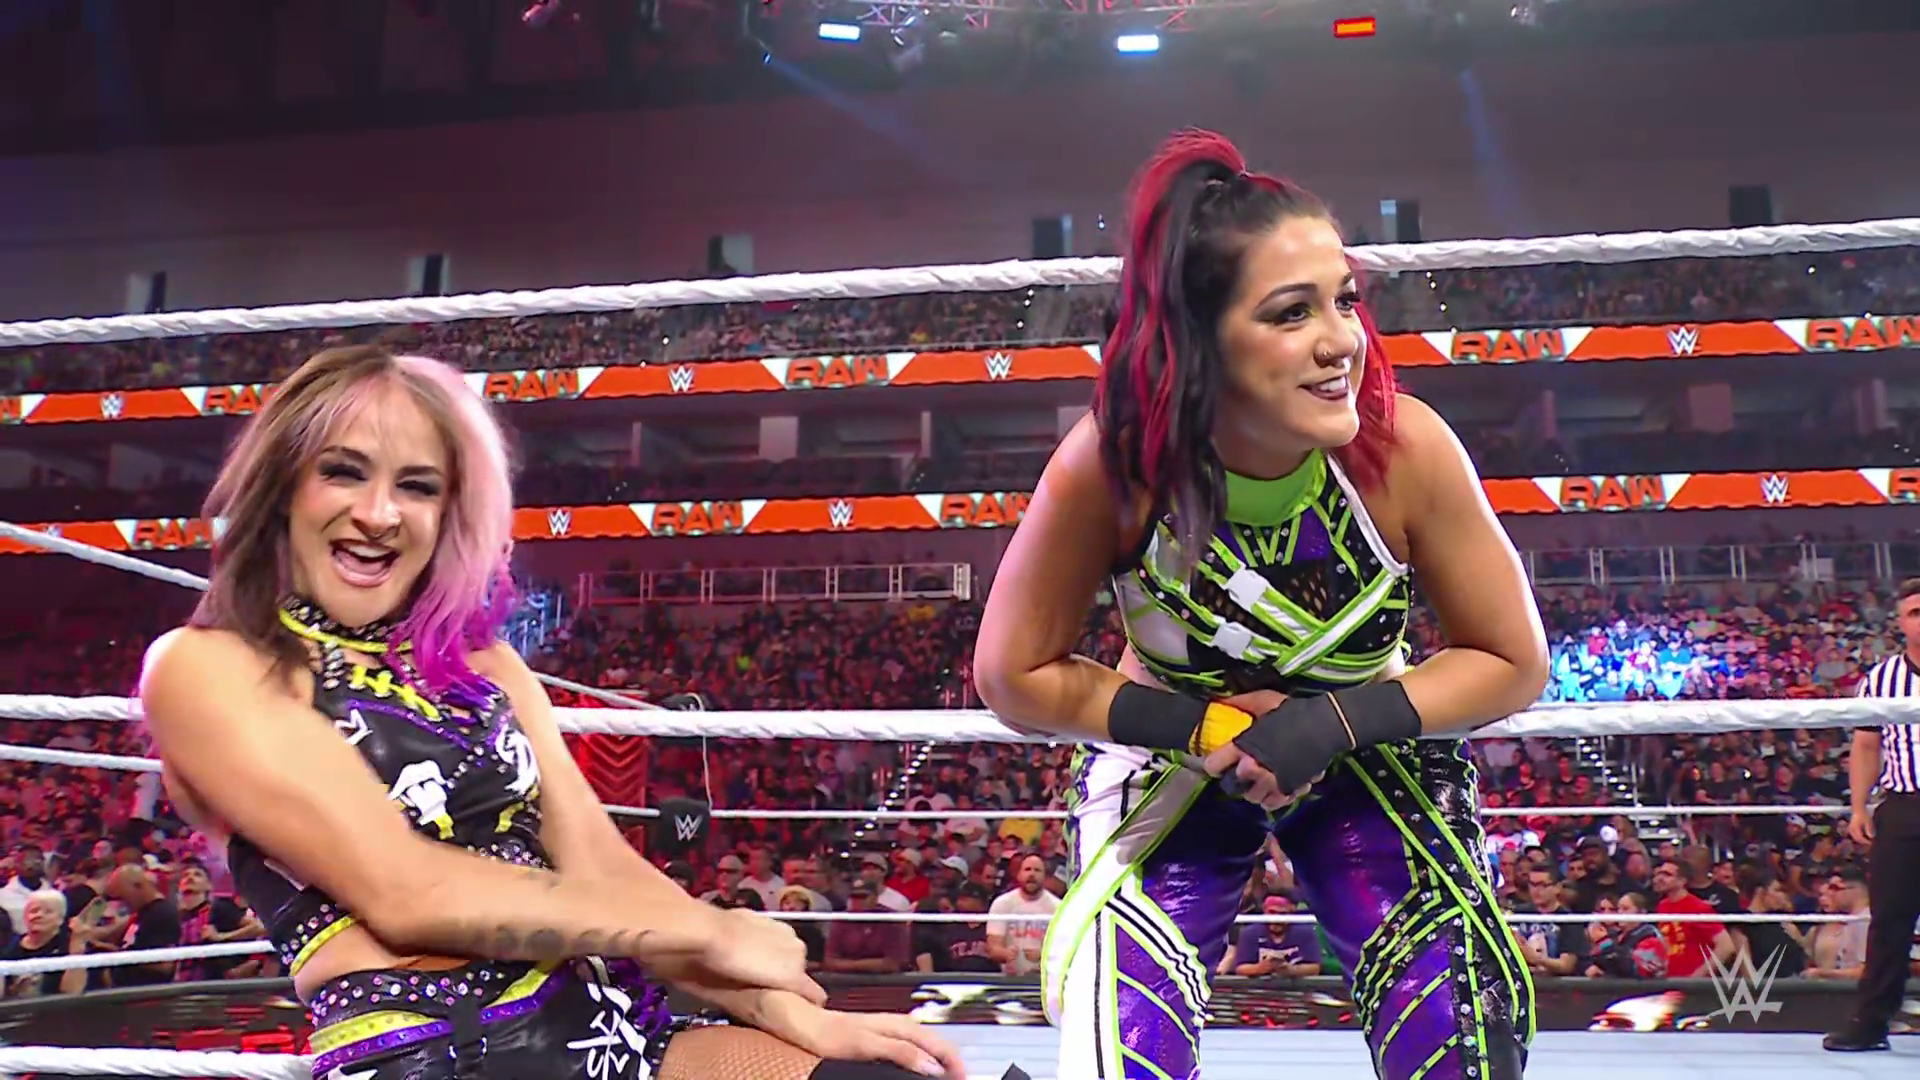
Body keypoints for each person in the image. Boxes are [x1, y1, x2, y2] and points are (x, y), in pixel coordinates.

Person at [139, 346, 962, 1080]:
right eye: (345, 472)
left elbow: (601, 866)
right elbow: (407, 890)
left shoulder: (483, 665)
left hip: (621, 1025)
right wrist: (711, 932)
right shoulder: (207, 666)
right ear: (283, 486)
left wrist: (790, 1013)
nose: (380, 514)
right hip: (439, 1053)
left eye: (417, 486)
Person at [973, 129, 1548, 1080]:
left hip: (1371, 745)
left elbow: (1514, 660)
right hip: (1172, 751)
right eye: (1292, 313)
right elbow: (1009, 673)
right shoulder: (1113, 465)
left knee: (1459, 1025)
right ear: (1199, 339)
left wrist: (1328, 725)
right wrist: (1207, 726)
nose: (1342, 340)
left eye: (1345, 300)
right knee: (1119, 1042)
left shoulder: (1406, 448)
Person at [1826, 591, 1920, 1053]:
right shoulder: (1881, 678)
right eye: (1916, 612)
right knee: (1890, 920)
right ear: (1900, 622)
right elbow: (1866, 746)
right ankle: (1871, 1022)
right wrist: (1859, 807)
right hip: (1904, 805)